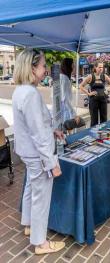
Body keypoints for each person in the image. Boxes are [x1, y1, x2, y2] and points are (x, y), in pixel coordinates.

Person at [12, 49, 65, 254]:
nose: (46, 70)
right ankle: (40, 242)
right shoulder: (31, 94)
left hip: (27, 151)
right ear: (32, 68)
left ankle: (28, 223)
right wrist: (52, 163)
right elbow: (38, 134)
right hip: (37, 154)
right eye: (43, 66)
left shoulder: (20, 90)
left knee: (31, 189)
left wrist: (51, 131)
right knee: (41, 197)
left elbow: (32, 126)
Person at [80, 61, 110, 126]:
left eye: (102, 67)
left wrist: (108, 90)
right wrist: (89, 93)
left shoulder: (104, 76)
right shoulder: (90, 76)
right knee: (94, 120)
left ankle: (103, 133)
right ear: (95, 67)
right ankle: (93, 135)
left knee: (104, 119)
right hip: (93, 101)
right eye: (99, 67)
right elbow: (81, 86)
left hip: (103, 100)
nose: (101, 69)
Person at [60, 58, 81, 133]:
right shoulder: (64, 79)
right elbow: (65, 99)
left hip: (61, 111)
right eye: (73, 65)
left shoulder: (61, 77)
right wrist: (74, 114)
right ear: (68, 66)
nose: (74, 67)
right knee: (67, 136)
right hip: (65, 112)